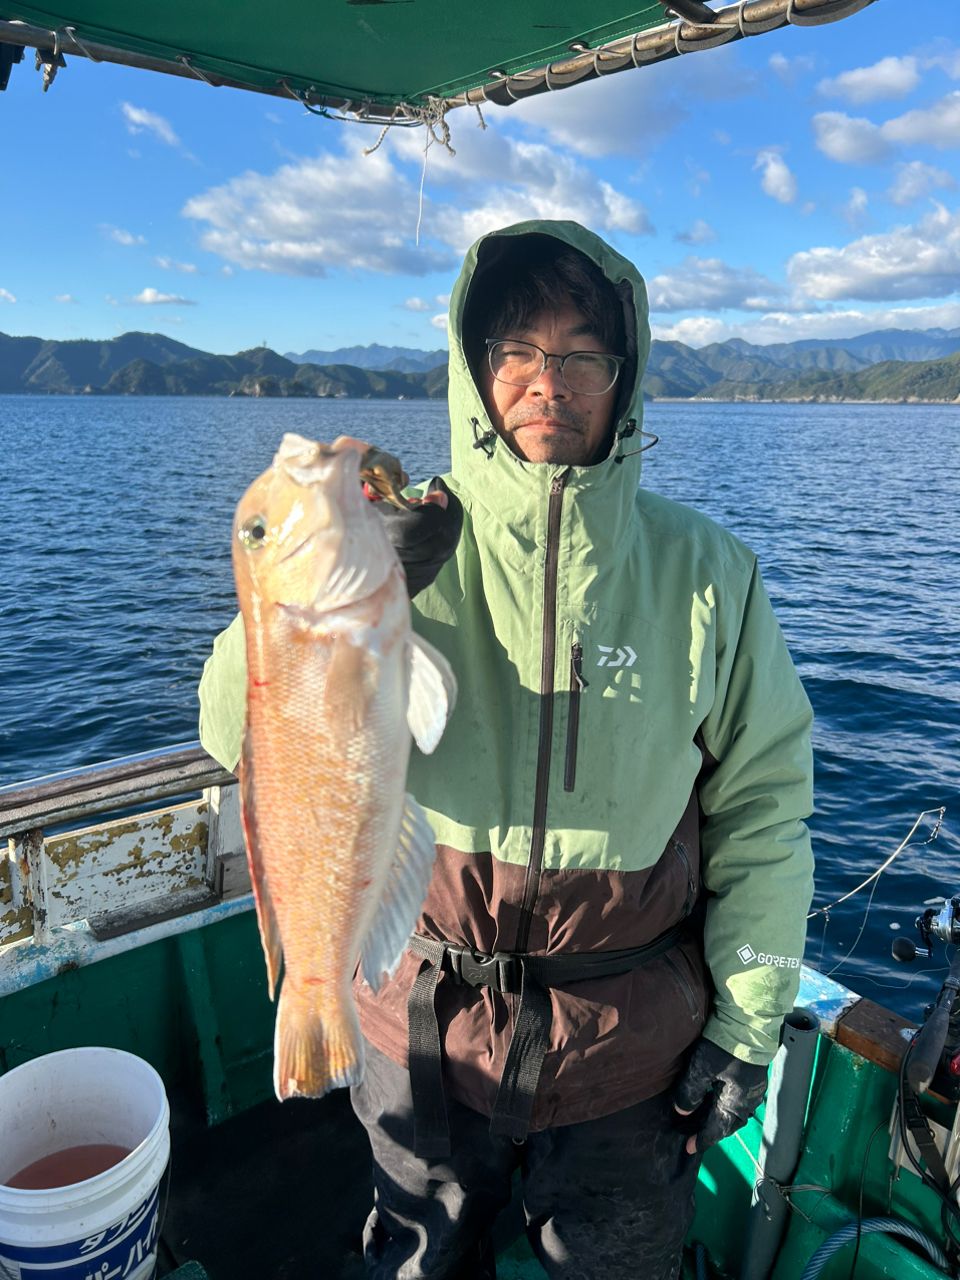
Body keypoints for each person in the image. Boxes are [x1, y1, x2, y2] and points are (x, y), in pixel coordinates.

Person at [198, 220, 814, 1280]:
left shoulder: (710, 572)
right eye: (518, 350)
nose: (547, 379)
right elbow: (231, 727)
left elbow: (766, 805)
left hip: (628, 1055)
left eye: (581, 352)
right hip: (419, 1030)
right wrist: (386, 577)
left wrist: (748, 1023)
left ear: (625, 379)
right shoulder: (394, 526)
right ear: (475, 370)